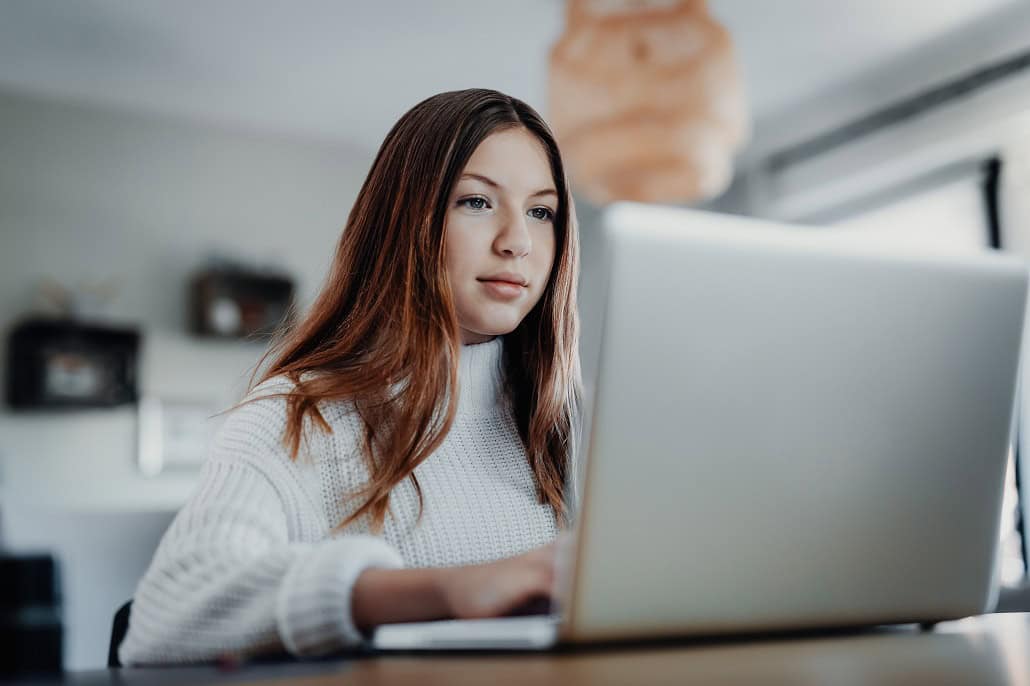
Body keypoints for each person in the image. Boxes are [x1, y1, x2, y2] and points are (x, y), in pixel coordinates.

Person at [119, 88, 583, 665]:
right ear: (404, 220)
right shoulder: (297, 414)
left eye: (542, 212)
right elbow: (166, 614)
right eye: (476, 202)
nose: (517, 241)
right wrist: (450, 590)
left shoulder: (566, 423)